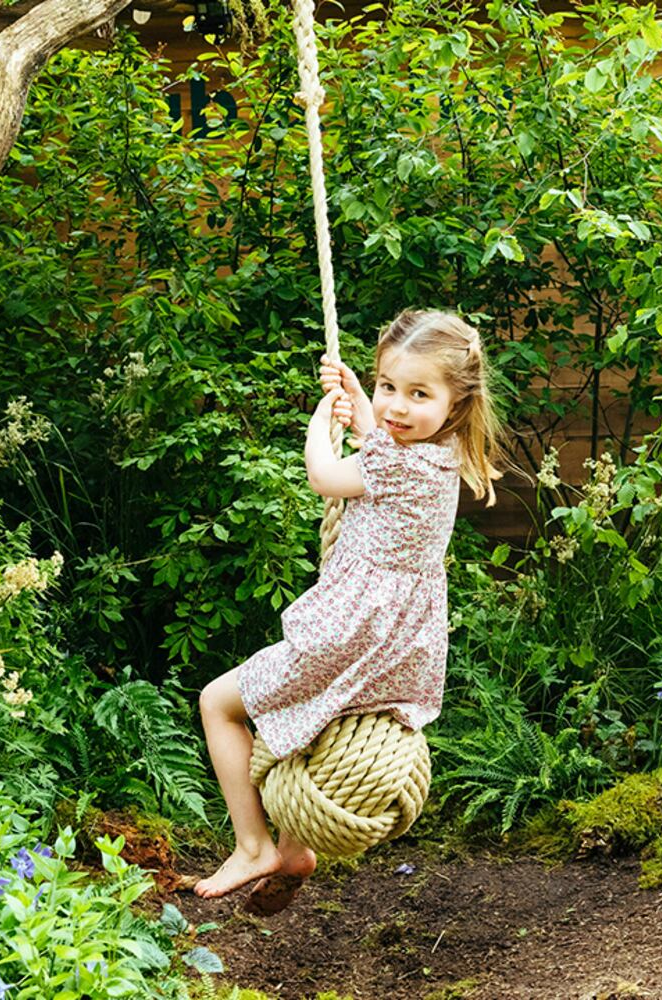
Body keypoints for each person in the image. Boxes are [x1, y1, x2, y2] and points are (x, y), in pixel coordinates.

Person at [193, 309, 505, 910]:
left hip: (347, 637)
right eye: (390, 386)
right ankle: (293, 847)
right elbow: (386, 444)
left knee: (218, 704)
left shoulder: (393, 462)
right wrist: (363, 402)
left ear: (456, 404)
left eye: (418, 393)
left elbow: (325, 476)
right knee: (319, 722)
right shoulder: (441, 456)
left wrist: (321, 421)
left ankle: (253, 844)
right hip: (401, 646)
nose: (397, 406)